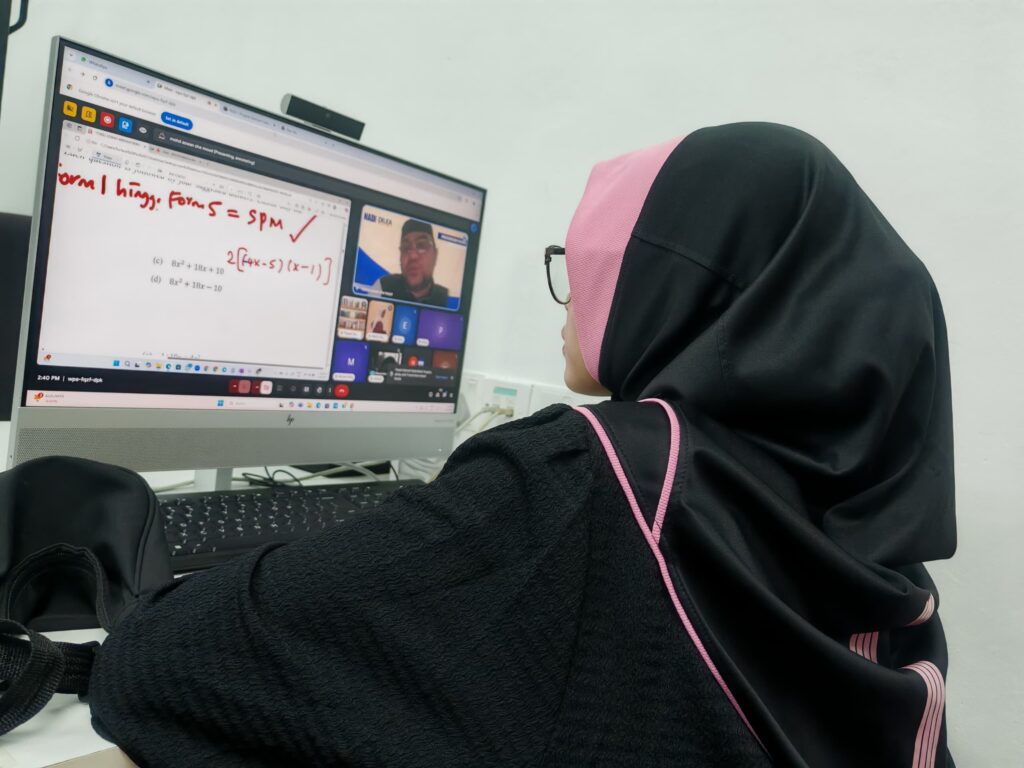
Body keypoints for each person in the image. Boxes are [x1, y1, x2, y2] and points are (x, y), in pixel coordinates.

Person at [88, 123, 955, 767]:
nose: (570, 293)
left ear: (672, 282)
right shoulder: (877, 541)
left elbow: (166, 666)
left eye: (590, 261)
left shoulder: (589, 475)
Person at [372, 219, 450, 307]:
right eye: (405, 247)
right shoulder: (382, 288)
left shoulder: (446, 299)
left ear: (435, 255)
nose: (413, 256)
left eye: (421, 245)